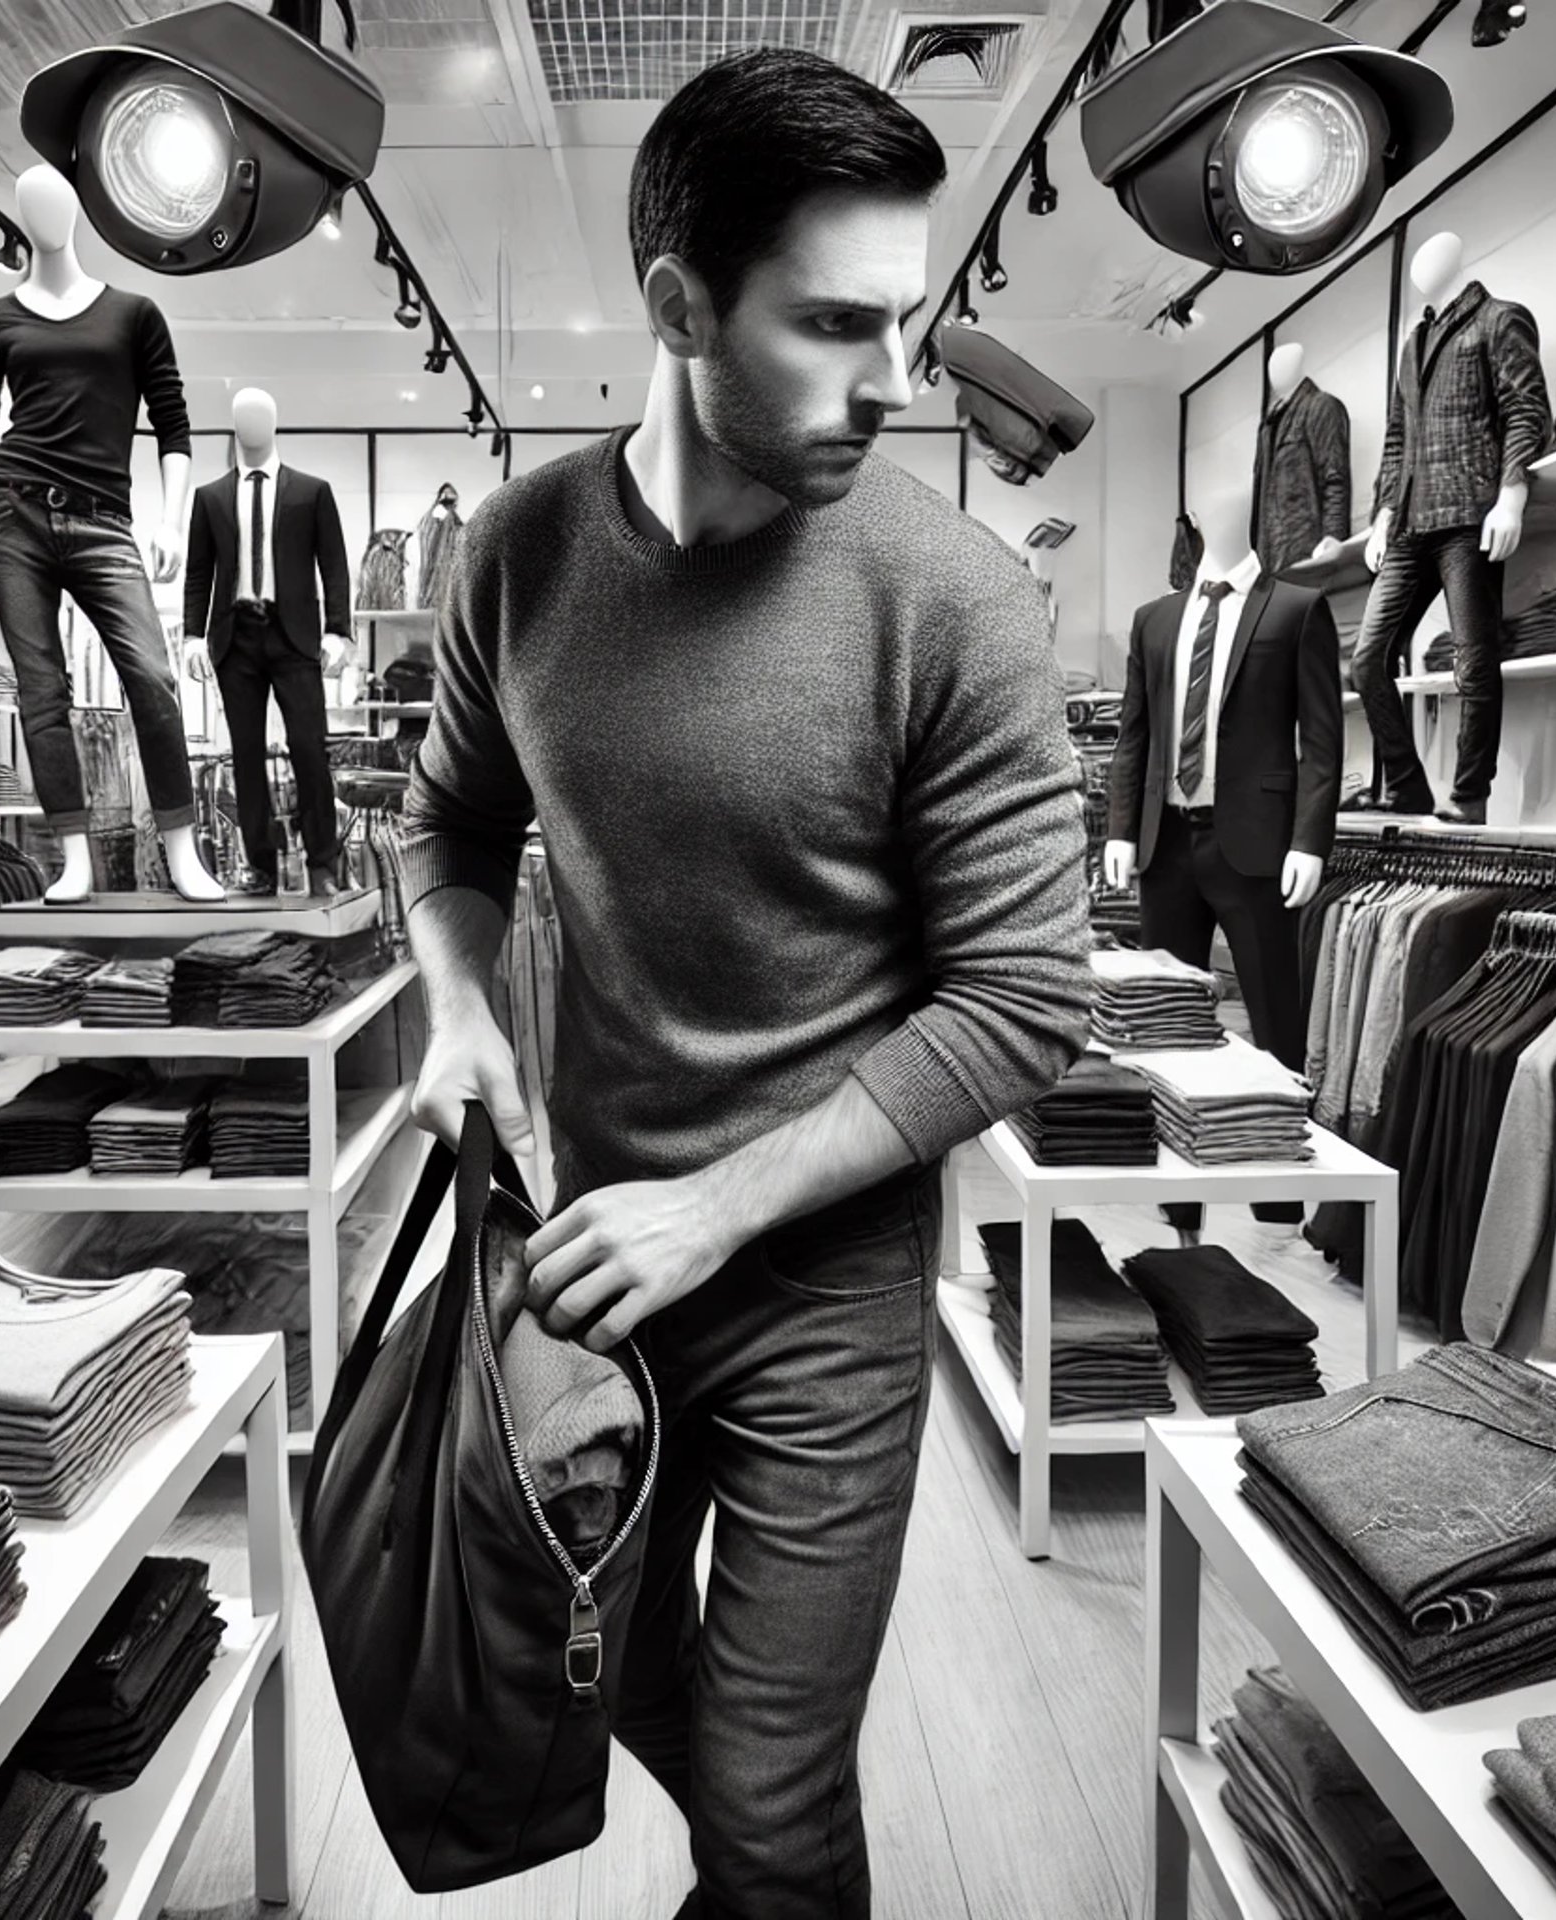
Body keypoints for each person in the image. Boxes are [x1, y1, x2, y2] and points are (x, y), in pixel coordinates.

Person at [396, 45, 1091, 1920]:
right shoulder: (520, 555)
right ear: (679, 305)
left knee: (776, 1818)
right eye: (837, 324)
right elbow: (449, 828)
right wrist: (460, 1008)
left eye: (910, 324)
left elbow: (1029, 997)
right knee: (587, 1658)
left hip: (819, 1283)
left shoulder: (952, 599)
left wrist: (722, 1205)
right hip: (589, 1259)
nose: (893, 383)